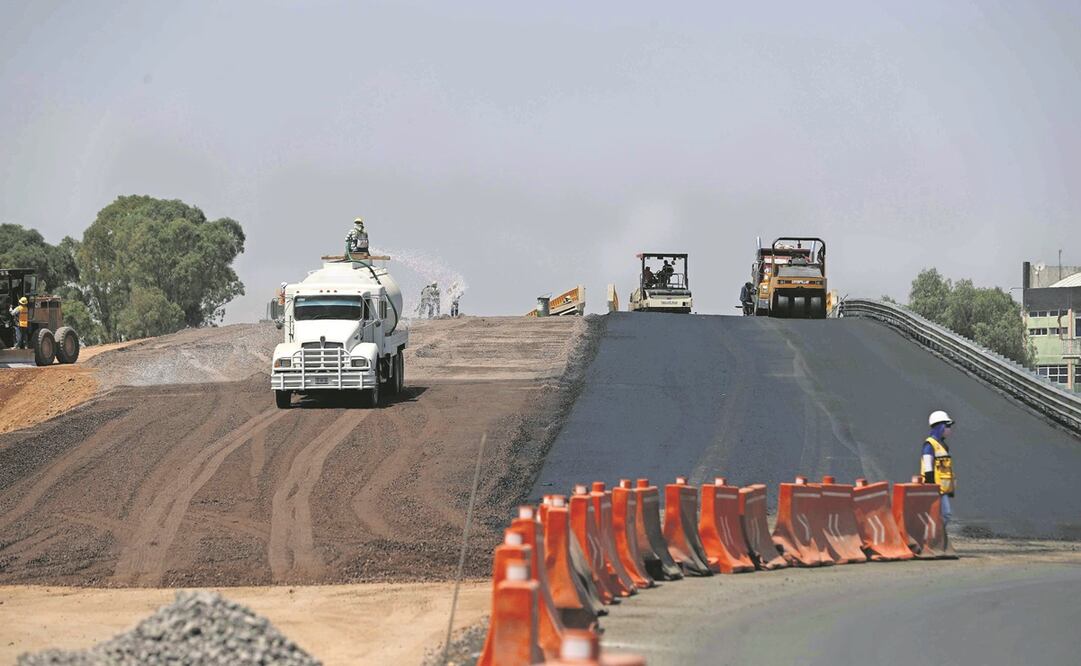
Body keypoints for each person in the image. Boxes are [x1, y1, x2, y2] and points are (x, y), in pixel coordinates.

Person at [922, 410, 956, 530]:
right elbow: (927, 464)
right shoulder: (930, 444)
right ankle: (933, 538)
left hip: (942, 489)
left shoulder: (942, 445)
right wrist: (930, 485)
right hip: (935, 488)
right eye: (947, 426)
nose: (949, 429)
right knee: (943, 515)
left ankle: (935, 537)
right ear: (940, 427)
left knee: (943, 515)